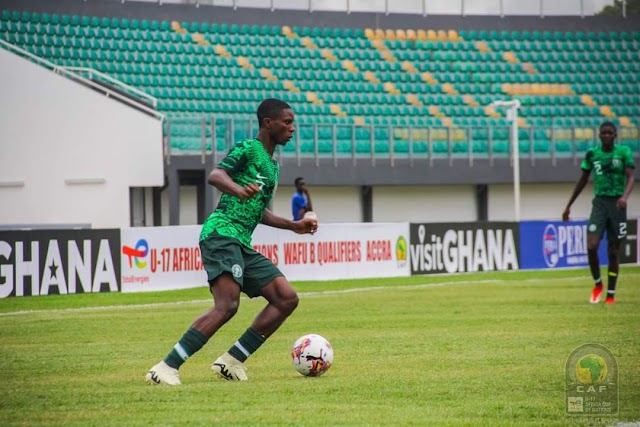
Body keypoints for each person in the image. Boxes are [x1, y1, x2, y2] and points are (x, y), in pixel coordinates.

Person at [145, 99, 318, 385]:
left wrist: (294, 226)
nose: (292, 128)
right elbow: (216, 175)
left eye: (292, 122)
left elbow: (258, 211)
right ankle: (164, 368)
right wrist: (238, 190)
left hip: (240, 241)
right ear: (268, 123)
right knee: (227, 305)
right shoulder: (248, 148)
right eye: (287, 122)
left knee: (286, 298)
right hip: (222, 233)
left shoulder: (272, 167)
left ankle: (231, 361)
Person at [562, 121, 635, 305]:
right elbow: (583, 180)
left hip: (618, 205)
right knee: (591, 246)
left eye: (610, 133)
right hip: (600, 204)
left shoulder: (624, 152)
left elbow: (631, 176)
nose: (607, 136)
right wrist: (568, 205)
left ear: (615, 135)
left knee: (613, 250)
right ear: (599, 135)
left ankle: (611, 294)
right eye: (604, 133)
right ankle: (597, 284)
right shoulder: (592, 154)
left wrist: (625, 197)